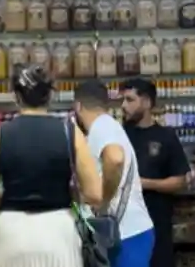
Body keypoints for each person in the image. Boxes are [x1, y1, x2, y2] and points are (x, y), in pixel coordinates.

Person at [0, 64, 103, 267]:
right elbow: (95, 194)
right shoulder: (70, 132)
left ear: (16, 96)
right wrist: (66, 193)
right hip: (57, 232)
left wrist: (9, 198)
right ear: (50, 96)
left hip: (10, 234)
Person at [74, 79, 156, 267]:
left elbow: (115, 158)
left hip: (128, 234)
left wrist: (103, 199)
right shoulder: (105, 125)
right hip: (125, 232)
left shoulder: (102, 126)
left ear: (78, 106)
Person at [120, 78, 191, 267]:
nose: (123, 105)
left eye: (129, 100)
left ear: (147, 102)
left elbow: (179, 181)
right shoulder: (119, 134)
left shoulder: (166, 136)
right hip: (124, 227)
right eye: (123, 100)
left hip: (157, 226)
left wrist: (144, 183)